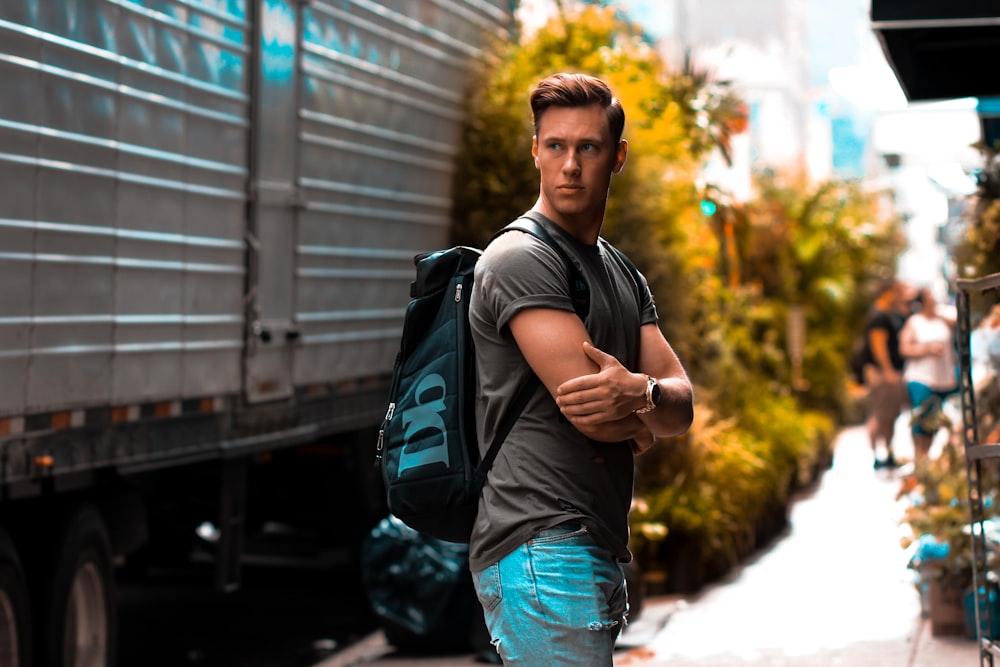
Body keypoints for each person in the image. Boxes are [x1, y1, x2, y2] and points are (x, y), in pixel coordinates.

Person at [467, 72, 694, 666]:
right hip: (540, 542)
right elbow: (596, 416)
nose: (570, 165)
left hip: (586, 542)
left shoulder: (620, 272)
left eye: (587, 148)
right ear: (535, 152)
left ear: (616, 157)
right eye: (555, 146)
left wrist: (640, 395)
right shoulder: (521, 258)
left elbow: (682, 405)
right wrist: (646, 411)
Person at [899, 288, 957, 463]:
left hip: (942, 378)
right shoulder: (914, 322)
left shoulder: (942, 319)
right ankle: (920, 458)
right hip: (920, 377)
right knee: (923, 418)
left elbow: (957, 320)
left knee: (934, 422)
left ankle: (925, 459)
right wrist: (927, 349)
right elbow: (904, 348)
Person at [862, 278, 912, 469]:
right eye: (897, 291)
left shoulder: (890, 314)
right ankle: (876, 455)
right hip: (882, 374)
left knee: (890, 415)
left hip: (890, 372)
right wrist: (888, 370)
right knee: (879, 414)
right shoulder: (879, 316)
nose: (899, 295)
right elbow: (878, 345)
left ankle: (888, 453)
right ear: (887, 291)